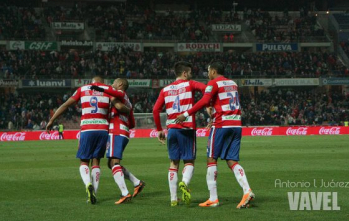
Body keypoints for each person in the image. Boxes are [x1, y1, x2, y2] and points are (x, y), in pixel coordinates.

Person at [176, 61, 255, 209]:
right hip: (236, 125)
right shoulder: (233, 83)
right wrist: (211, 116)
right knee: (232, 160)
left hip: (221, 126)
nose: (207, 74)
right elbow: (220, 102)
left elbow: (205, 100)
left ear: (213, 71)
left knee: (211, 158)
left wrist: (186, 113)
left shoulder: (214, 83)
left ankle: (213, 198)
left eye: (208, 71)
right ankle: (247, 190)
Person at [46, 76, 128, 204]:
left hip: (87, 129)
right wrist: (129, 110)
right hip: (102, 130)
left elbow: (65, 105)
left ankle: (88, 184)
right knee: (96, 162)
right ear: (102, 83)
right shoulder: (107, 90)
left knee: (84, 161)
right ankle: (94, 192)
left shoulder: (82, 89)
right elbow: (119, 106)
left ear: (92, 81)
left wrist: (52, 120)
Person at [152, 61, 206, 206]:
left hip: (172, 130)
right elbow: (206, 89)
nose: (191, 75)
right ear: (184, 73)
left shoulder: (165, 89)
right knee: (189, 161)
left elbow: (156, 110)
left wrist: (159, 129)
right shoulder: (190, 84)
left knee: (173, 163)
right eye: (190, 73)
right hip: (186, 128)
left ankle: (173, 199)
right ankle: (184, 182)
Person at [91, 78, 145, 205]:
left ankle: (125, 193)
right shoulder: (129, 103)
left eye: (114, 82)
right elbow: (132, 124)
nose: (112, 84)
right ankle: (137, 182)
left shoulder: (120, 94)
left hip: (116, 131)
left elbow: (110, 91)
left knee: (114, 162)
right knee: (111, 163)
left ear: (120, 85)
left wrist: (97, 87)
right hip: (124, 132)